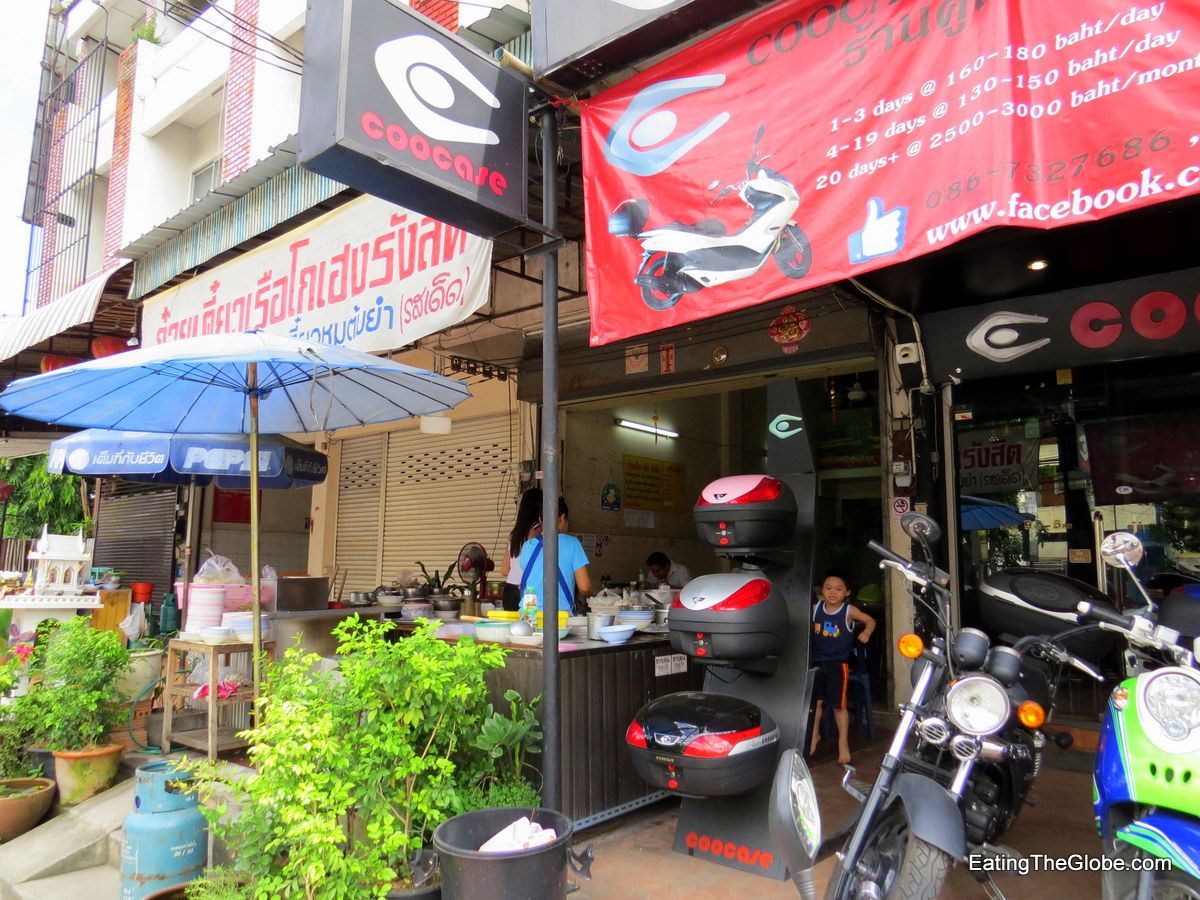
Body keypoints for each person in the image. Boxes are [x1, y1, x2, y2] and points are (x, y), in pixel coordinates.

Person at [809, 570, 875, 765]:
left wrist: (866, 633)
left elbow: (870, 620)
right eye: (828, 588)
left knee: (839, 705)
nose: (832, 592)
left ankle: (843, 743)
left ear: (846, 592)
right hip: (816, 661)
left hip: (838, 664)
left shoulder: (848, 611)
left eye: (838, 589)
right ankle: (813, 736)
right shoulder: (815, 608)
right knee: (816, 703)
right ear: (822, 591)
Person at [516, 496, 592, 614]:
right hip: (559, 621)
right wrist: (593, 595)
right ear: (562, 518)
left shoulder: (526, 546)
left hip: (528, 617)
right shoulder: (572, 544)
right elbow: (584, 587)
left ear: (541, 520)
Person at [500, 488, 543, 611]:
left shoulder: (514, 534)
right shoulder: (538, 530)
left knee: (513, 630)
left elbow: (504, 570)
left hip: (509, 592)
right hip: (525, 591)